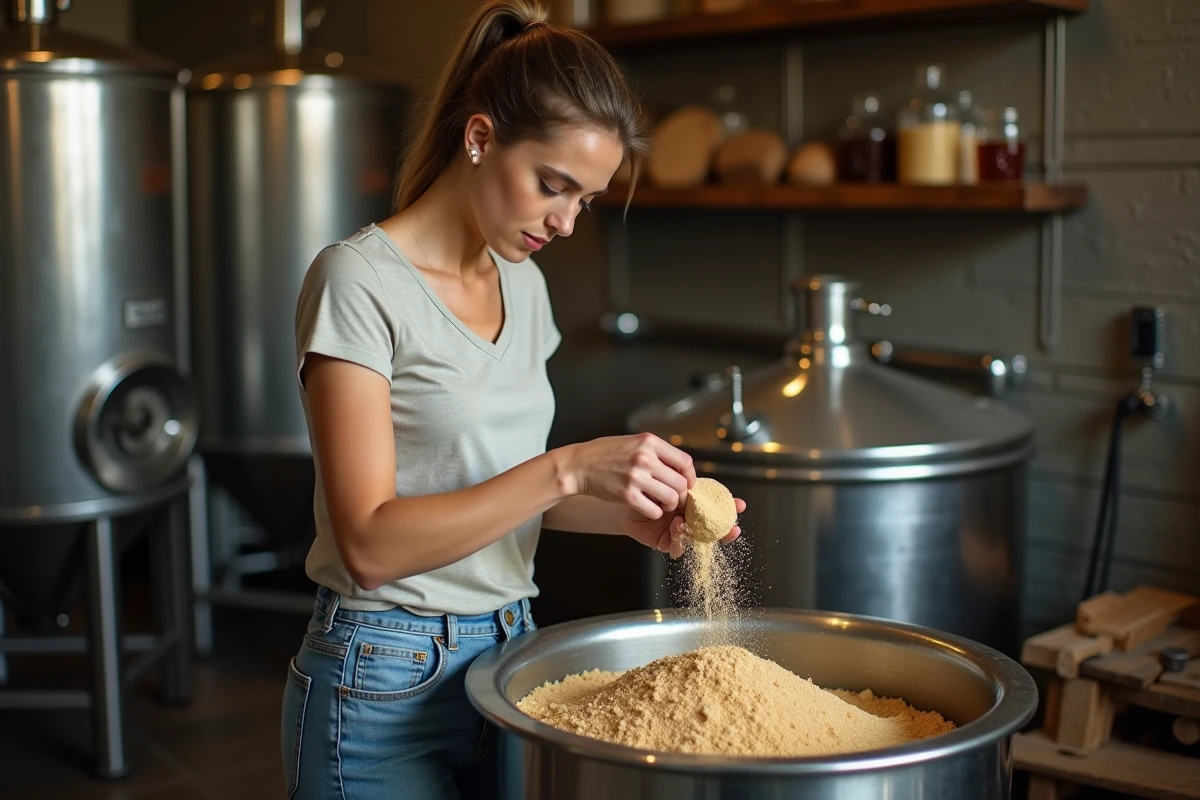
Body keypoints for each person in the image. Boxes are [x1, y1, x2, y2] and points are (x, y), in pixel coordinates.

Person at [281, 2, 745, 798]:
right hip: (380, 673)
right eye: (553, 186)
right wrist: (569, 470)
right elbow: (369, 544)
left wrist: (629, 515)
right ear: (481, 136)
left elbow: (500, 487)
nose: (565, 222)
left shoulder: (523, 288)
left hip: (509, 656)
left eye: (586, 201)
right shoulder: (358, 282)